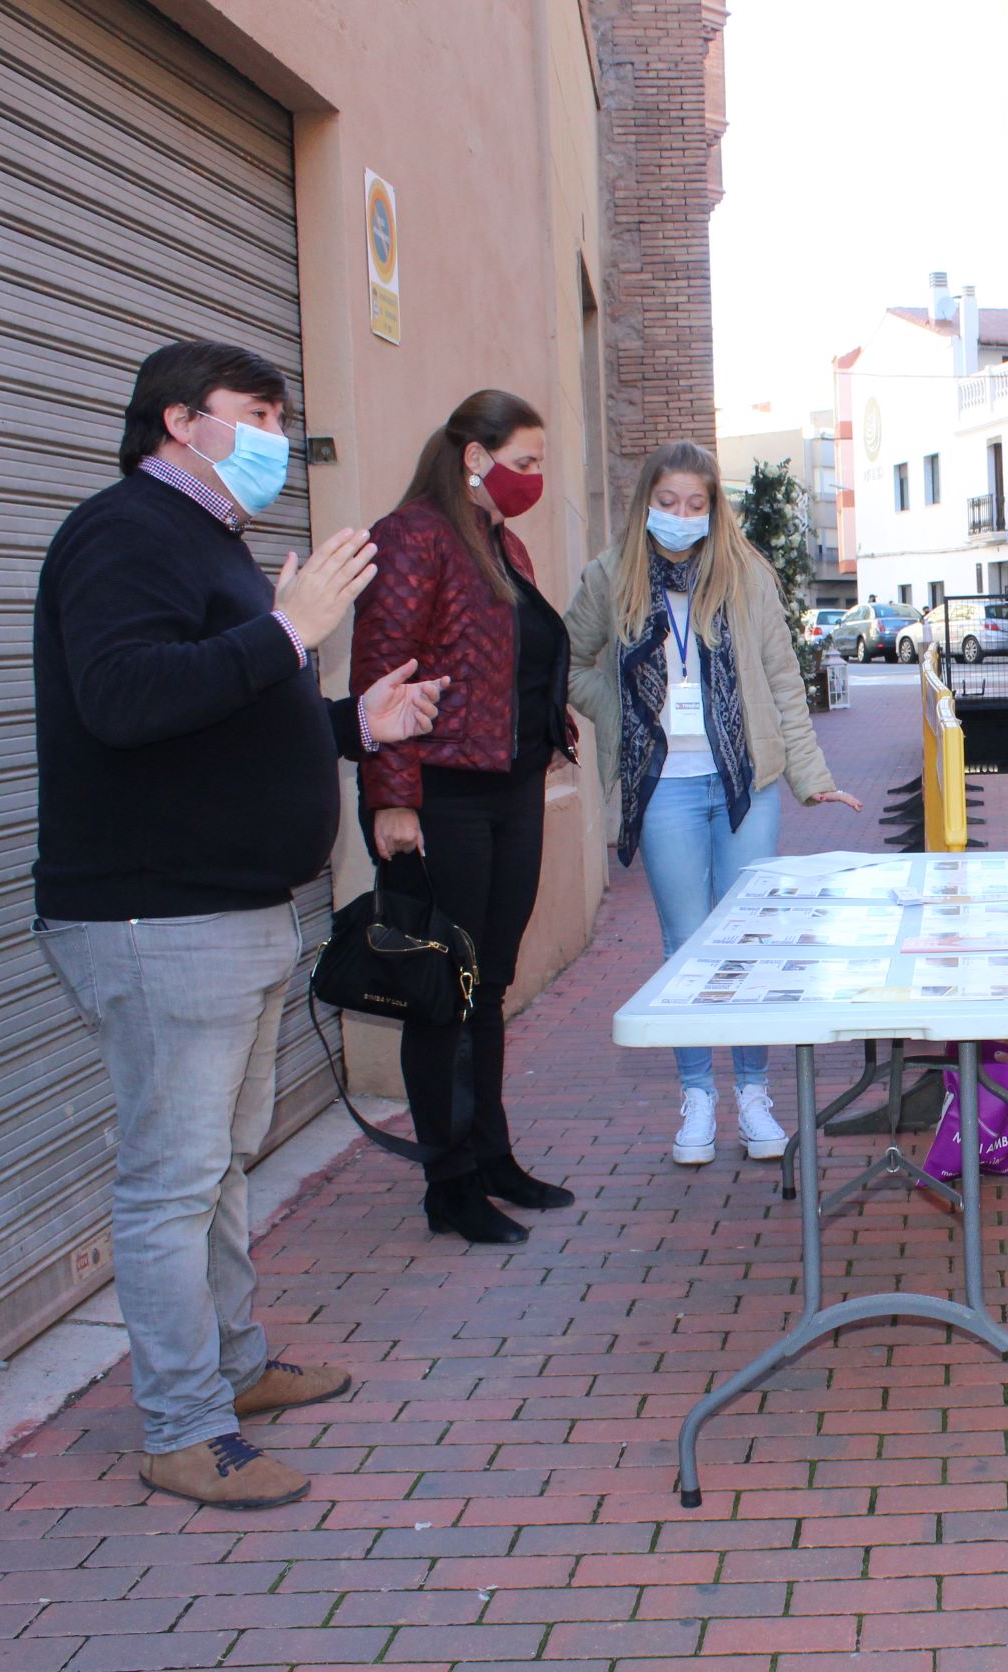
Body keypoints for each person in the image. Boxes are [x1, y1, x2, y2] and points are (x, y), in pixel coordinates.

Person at [32, 340, 446, 1508]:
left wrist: (353, 718)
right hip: (157, 914)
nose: (276, 433)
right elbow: (123, 699)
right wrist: (286, 628)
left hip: (232, 913)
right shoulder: (120, 534)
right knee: (174, 1179)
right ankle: (182, 1428)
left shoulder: (200, 543)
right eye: (256, 412)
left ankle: (233, 1368)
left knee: (217, 1167)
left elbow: (223, 708)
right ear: (180, 421)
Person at [567, 441, 862, 1165]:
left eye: (695, 504)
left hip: (745, 782)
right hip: (664, 784)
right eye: (668, 503)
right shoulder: (611, 578)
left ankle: (754, 1096)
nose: (681, 516)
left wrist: (810, 774)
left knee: (749, 943)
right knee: (687, 946)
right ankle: (697, 1097)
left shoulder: (746, 574)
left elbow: (783, 679)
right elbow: (567, 662)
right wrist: (619, 712)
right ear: (646, 504)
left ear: (713, 506)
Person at [351, 391, 575, 1247]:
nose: (534, 479)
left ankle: (492, 1158)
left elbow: (519, 659)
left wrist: (551, 729)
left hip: (510, 789)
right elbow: (385, 670)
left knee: (489, 983)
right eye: (523, 462)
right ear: (473, 456)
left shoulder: (500, 542)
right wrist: (393, 796)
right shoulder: (412, 535)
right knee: (444, 994)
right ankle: (448, 1185)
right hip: (441, 792)